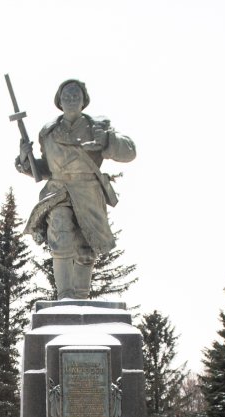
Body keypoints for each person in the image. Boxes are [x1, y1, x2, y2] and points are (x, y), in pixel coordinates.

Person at [16, 78, 136, 300]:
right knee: (60, 237)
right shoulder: (48, 132)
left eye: (76, 96)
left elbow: (129, 151)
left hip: (88, 192)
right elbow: (45, 169)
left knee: (86, 247)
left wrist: (108, 140)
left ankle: (81, 298)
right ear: (59, 101)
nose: (71, 100)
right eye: (66, 96)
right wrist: (25, 159)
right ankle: (65, 297)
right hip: (59, 191)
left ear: (84, 101)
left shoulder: (98, 127)